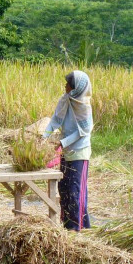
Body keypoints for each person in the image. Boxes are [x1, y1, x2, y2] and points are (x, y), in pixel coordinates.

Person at [43, 70, 93, 231]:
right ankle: (67, 225)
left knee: (75, 190)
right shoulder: (65, 100)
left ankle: (78, 227)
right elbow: (55, 120)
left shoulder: (84, 106)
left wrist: (62, 142)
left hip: (79, 153)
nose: (65, 86)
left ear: (76, 88)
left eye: (68, 84)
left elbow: (83, 132)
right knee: (64, 188)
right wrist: (44, 137)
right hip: (66, 152)